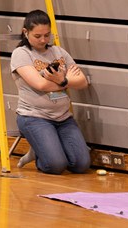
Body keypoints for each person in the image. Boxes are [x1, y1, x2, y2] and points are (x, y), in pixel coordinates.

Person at [11, 9, 92, 174]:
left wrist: (63, 81)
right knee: (55, 166)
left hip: (63, 117)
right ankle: (40, 153)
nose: (43, 40)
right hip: (34, 117)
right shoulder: (21, 54)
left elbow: (82, 82)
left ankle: (44, 147)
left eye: (47, 35)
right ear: (25, 32)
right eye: (38, 36)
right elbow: (40, 85)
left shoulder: (59, 52)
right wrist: (65, 81)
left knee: (81, 165)